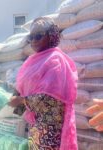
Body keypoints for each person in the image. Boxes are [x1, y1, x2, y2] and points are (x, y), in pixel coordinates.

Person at [9, 17, 78, 150]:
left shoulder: (55, 60)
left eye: (39, 36)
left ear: (51, 36)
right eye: (31, 37)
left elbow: (52, 98)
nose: (34, 40)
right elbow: (25, 86)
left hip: (51, 127)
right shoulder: (33, 61)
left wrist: (21, 101)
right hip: (35, 124)